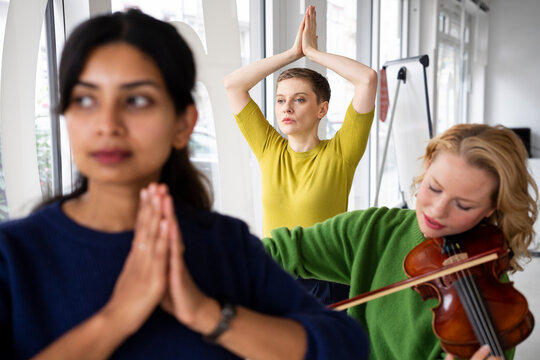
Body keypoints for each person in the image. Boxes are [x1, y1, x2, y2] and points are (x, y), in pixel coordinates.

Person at [0, 10, 370, 359]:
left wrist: (208, 314)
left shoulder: (228, 247)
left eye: (137, 100)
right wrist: (115, 318)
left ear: (183, 124)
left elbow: (344, 346)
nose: (107, 123)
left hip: (322, 277)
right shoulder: (12, 255)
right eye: (85, 99)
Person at [263, 123, 538, 360]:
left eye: (463, 205)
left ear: (491, 208)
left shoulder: (497, 309)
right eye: (434, 188)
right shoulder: (374, 230)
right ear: (427, 167)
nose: (437, 210)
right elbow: (276, 252)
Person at [224, 5, 377, 305]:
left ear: (322, 109)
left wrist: (314, 53)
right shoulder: (269, 149)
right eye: (280, 100)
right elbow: (233, 84)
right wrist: (293, 53)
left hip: (328, 281)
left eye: (299, 99)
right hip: (274, 275)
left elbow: (368, 79)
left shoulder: (341, 153)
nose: (286, 108)